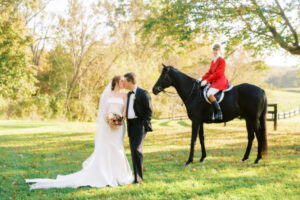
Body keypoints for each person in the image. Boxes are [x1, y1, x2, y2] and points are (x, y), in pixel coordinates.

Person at [26, 76, 134, 189]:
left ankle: (119, 175)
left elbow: (124, 112)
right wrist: (109, 121)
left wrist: (118, 121)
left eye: (123, 81)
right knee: (107, 148)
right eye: (121, 80)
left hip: (119, 127)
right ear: (116, 82)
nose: (123, 83)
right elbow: (103, 111)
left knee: (117, 148)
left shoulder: (124, 95)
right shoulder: (107, 94)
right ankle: (105, 174)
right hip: (107, 126)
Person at [122, 72, 153, 184]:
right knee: (133, 151)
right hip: (131, 125)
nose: (123, 83)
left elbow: (149, 111)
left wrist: (144, 124)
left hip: (140, 125)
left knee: (137, 150)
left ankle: (139, 179)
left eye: (125, 81)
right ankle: (136, 177)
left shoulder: (143, 93)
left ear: (130, 81)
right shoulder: (128, 94)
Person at [198, 43, 228, 120]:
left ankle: (219, 112)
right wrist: (201, 78)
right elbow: (209, 73)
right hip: (214, 81)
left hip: (220, 81)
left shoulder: (222, 60)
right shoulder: (213, 61)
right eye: (214, 50)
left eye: (216, 50)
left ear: (220, 50)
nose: (215, 51)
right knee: (203, 91)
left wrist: (207, 80)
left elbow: (219, 73)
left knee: (209, 93)